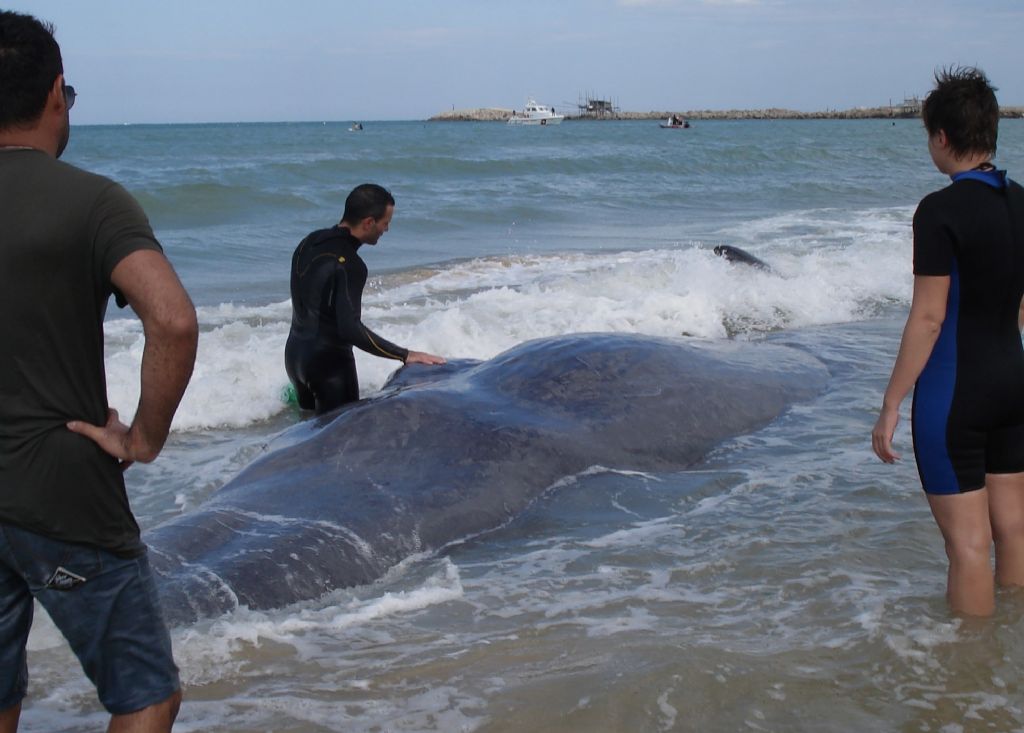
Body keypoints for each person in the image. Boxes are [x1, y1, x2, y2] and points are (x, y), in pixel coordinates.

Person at [0, 11, 198, 732]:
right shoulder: (91, 201)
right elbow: (172, 319)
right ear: (57, 93)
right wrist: (142, 438)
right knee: (145, 692)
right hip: (62, 494)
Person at [872, 67, 1024, 617]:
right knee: (1013, 532)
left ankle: (966, 683)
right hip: (1013, 380)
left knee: (967, 546)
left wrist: (890, 404)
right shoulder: (1022, 202)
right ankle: (1006, 670)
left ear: (941, 137)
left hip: (955, 394)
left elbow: (929, 318)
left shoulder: (939, 211)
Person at [285, 183, 445, 414]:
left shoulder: (309, 242)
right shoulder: (351, 265)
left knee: (308, 439)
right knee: (339, 445)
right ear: (369, 222)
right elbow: (350, 329)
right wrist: (405, 355)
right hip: (330, 367)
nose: (386, 229)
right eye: (385, 223)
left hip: (296, 358)